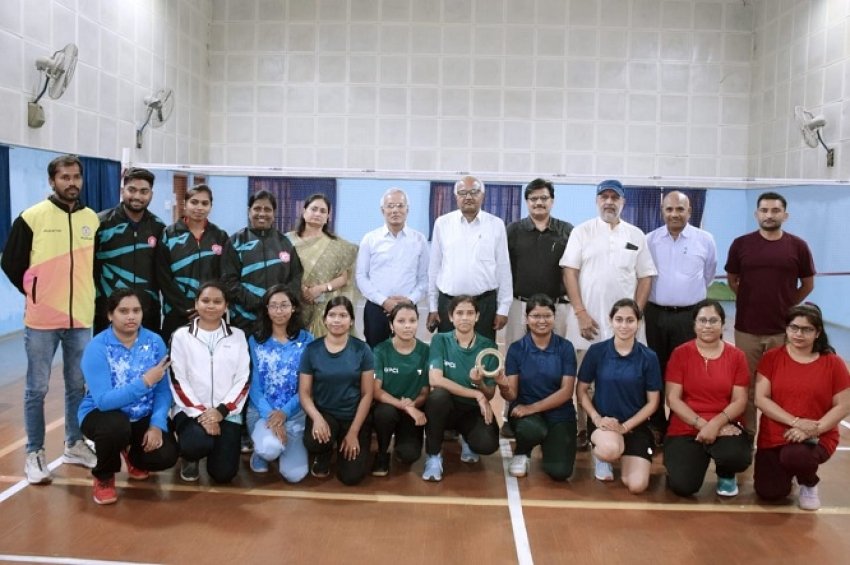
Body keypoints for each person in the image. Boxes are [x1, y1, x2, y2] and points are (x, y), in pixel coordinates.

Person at [1, 154, 98, 483]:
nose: (72, 183)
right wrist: (35, 291)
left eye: (76, 177)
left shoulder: (91, 219)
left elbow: (95, 266)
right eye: (64, 177)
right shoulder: (32, 217)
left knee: (77, 386)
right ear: (52, 181)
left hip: (80, 319)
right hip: (42, 320)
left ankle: (74, 444)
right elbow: (11, 262)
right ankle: (35, 452)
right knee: (37, 388)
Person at [560, 179, 657, 450]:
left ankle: (627, 430)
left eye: (615, 197)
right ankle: (584, 429)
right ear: (597, 201)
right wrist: (580, 312)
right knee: (585, 380)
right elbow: (569, 272)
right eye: (604, 197)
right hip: (587, 324)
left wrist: (635, 316)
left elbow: (646, 277)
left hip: (624, 327)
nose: (609, 202)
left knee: (628, 381)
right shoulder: (581, 232)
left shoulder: (636, 235)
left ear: (623, 202)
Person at [78, 289, 179, 504]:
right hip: (103, 414)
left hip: (142, 414)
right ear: (110, 315)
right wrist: (145, 382)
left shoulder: (155, 342)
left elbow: (163, 391)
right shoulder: (97, 347)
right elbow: (104, 401)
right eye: (123, 311)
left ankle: (133, 455)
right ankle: (104, 476)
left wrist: (157, 424)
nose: (131, 316)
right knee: (115, 427)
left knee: (166, 455)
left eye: (136, 310)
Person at [725, 192, 816, 432]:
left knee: (780, 386)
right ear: (757, 214)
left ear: (785, 215)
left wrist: (789, 308)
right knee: (747, 387)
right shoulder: (740, 244)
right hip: (747, 329)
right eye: (764, 210)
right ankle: (747, 436)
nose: (769, 215)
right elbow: (732, 280)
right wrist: (749, 300)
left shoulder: (798, 246)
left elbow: (808, 284)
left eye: (775, 210)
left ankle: (777, 438)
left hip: (782, 331)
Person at [754, 304, 850, 511]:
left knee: (795, 456)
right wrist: (796, 422)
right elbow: (761, 399)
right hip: (775, 434)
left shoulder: (833, 363)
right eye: (794, 327)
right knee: (770, 492)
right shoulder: (771, 358)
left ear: (818, 333)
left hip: (817, 435)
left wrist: (813, 429)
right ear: (787, 328)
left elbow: (844, 405)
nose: (799, 334)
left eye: (807, 329)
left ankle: (809, 483)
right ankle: (791, 471)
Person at [502, 178, 573, 439]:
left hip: (557, 308)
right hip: (519, 305)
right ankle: (510, 414)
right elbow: (503, 269)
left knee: (556, 362)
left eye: (544, 198)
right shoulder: (513, 230)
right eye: (533, 199)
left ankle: (555, 414)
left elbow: (573, 270)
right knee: (515, 361)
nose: (539, 203)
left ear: (552, 201)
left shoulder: (567, 231)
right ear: (527, 202)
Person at [645, 191, 717, 439]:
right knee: (655, 369)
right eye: (669, 209)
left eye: (680, 209)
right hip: (655, 315)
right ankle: (657, 424)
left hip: (689, 317)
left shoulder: (705, 240)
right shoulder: (650, 240)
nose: (674, 214)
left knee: (687, 371)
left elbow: (708, 274)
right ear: (662, 211)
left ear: (689, 211)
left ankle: (682, 424)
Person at [663, 299, 751, 498]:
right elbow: (673, 399)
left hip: (725, 423)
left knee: (735, 457)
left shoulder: (737, 356)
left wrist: (715, 425)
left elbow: (740, 401)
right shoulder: (680, 354)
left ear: (723, 324)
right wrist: (704, 425)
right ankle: (682, 463)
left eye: (713, 320)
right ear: (694, 324)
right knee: (683, 486)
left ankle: (726, 473)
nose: (708, 326)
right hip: (687, 423)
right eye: (702, 320)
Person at [577, 299, 661, 494]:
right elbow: (581, 390)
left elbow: (653, 402)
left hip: (634, 426)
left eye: (630, 320)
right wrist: (597, 418)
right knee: (610, 449)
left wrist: (625, 427)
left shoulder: (649, 357)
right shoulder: (597, 351)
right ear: (611, 321)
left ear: (639, 323)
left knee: (637, 486)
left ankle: (625, 452)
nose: (624, 325)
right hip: (604, 424)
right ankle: (603, 456)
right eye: (619, 319)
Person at [169, 281, 250, 483]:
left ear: (226, 306)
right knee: (196, 444)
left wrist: (221, 411)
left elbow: (243, 379)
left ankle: (215, 452)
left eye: (217, 301)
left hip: (227, 412)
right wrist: (202, 414)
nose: (211, 306)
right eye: (205, 301)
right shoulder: (180, 336)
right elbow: (178, 381)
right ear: (196, 303)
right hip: (190, 411)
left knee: (223, 474)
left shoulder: (238, 336)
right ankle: (190, 457)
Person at [422, 295, 501, 482]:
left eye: (470, 313)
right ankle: (433, 456)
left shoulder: (489, 346)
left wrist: (480, 384)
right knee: (437, 397)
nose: (465, 318)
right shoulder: (440, 340)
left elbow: (489, 394)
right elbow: (435, 379)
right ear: (451, 317)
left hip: (471, 410)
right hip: (446, 408)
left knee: (487, 445)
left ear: (477, 316)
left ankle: (468, 438)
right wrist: (475, 393)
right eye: (459, 313)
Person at [299, 297, 374, 485]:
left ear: (351, 321)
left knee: (351, 477)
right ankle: (324, 452)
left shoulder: (363, 350)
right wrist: (317, 418)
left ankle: (344, 444)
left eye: (343, 315)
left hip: (353, 417)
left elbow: (367, 394)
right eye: (332, 315)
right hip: (325, 415)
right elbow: (304, 393)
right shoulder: (312, 350)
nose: (337, 320)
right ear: (325, 320)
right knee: (314, 441)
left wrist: (353, 432)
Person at [502, 294, 578, 481]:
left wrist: (533, 408)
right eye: (536, 316)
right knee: (532, 430)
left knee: (560, 472)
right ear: (526, 318)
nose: (542, 321)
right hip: (526, 416)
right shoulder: (516, 349)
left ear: (554, 317)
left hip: (559, 413)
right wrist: (501, 384)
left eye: (547, 316)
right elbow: (512, 394)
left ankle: (550, 443)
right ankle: (522, 451)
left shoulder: (566, 348)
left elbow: (566, 392)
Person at [428, 176, 512, 341]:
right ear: (456, 197)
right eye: (462, 193)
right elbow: (434, 268)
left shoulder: (496, 224)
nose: (468, 197)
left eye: (474, 192)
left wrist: (503, 308)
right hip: (449, 304)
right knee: (448, 353)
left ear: (483, 196)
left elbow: (503, 268)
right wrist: (432, 307)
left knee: (484, 354)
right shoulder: (442, 224)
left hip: (484, 305)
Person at [246, 285, 314, 483]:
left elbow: (306, 385)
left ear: (293, 308)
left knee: (295, 475)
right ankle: (262, 451)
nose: (279, 310)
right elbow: (255, 385)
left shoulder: (307, 340)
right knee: (269, 449)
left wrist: (284, 413)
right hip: (262, 413)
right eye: (273, 305)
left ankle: (283, 445)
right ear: (266, 309)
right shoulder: (256, 340)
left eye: (284, 305)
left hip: (295, 413)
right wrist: (272, 416)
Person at [93, 167, 167, 335]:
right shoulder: (101, 223)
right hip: (109, 311)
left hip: (147, 312)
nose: (137, 196)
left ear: (151, 194)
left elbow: (162, 272)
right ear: (122, 191)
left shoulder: (159, 227)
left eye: (144, 191)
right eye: (132, 190)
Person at [156, 184, 231, 343]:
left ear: (210, 206)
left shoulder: (220, 236)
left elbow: (225, 275)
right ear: (185, 204)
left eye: (205, 203)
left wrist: (207, 305)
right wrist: (187, 306)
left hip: (211, 312)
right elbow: (163, 276)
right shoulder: (169, 234)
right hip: (177, 313)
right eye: (194, 202)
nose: (199, 207)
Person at [355, 188, 429, 347]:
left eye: (400, 205)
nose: (395, 210)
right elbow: (361, 276)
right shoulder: (370, 239)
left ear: (407, 209)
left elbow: (424, 278)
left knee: (406, 352)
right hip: (376, 308)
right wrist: (384, 301)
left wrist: (410, 300)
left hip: (408, 309)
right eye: (390, 206)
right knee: (375, 353)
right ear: (383, 210)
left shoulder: (419, 240)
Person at [224, 190, 303, 334]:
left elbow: (296, 276)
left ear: (274, 213)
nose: (262, 213)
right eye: (257, 208)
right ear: (249, 211)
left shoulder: (285, 243)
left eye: (267, 209)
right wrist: (260, 304)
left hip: (279, 320)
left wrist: (278, 305)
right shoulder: (235, 242)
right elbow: (229, 281)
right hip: (244, 320)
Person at [370, 302, 430, 477]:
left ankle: (402, 442)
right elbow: (376, 390)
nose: (407, 326)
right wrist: (404, 406)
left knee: (408, 455)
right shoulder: (380, 350)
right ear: (391, 325)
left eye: (412, 320)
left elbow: (425, 392)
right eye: (401, 321)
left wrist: (413, 405)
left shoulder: (426, 351)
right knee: (384, 414)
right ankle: (382, 452)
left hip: (413, 407)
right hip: (388, 406)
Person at [286, 194, 358, 338]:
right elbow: (281, 270)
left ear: (327, 217)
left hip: (323, 305)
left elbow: (344, 278)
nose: (318, 214)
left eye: (323, 211)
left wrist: (320, 289)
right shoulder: (287, 240)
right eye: (314, 209)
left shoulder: (338, 245)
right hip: (293, 302)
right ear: (304, 211)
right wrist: (301, 288)